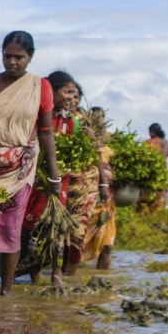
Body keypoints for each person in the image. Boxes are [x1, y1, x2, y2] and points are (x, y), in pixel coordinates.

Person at [0, 31, 61, 297]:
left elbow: (45, 131)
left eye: (20, 57)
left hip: (20, 169)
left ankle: (6, 287)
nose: (13, 62)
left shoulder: (41, 87)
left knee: (11, 225)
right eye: (8, 56)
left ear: (30, 58)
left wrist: (54, 176)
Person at [48, 72, 110, 280]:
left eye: (76, 96)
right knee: (54, 229)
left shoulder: (83, 122)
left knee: (77, 229)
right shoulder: (49, 119)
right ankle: (53, 272)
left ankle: (69, 276)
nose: (72, 100)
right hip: (58, 179)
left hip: (85, 181)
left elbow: (97, 154)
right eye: (68, 94)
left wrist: (103, 183)